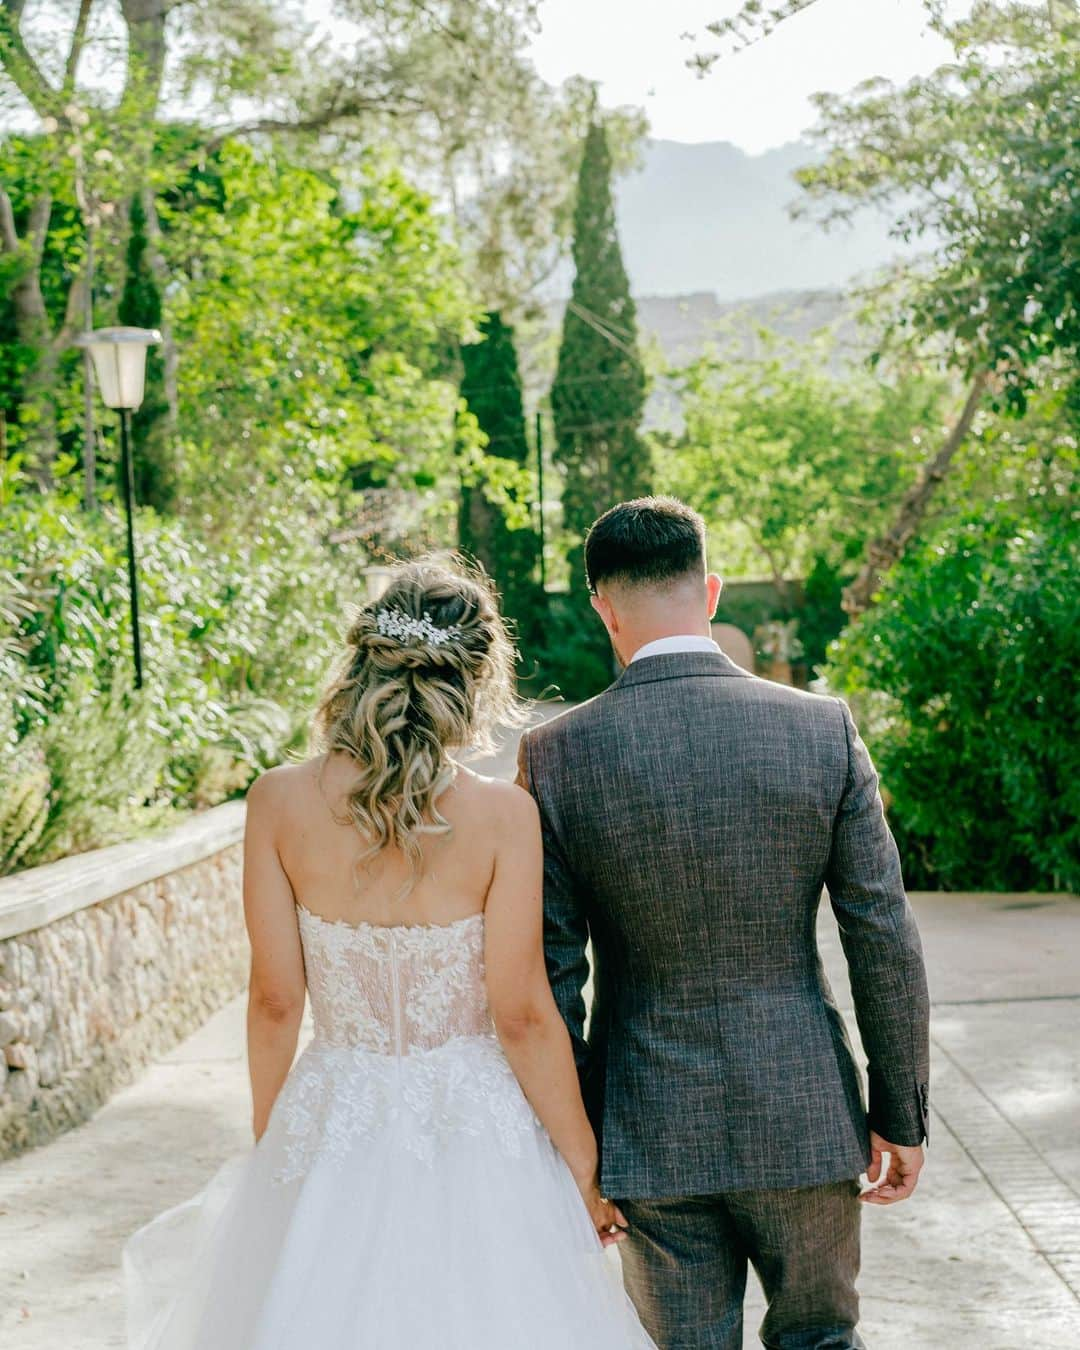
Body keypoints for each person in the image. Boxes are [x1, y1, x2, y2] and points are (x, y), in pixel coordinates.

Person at [124, 558, 656, 1350]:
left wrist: (280, 1142)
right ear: (477, 678)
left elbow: (275, 998)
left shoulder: (275, 801)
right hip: (478, 1125)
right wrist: (584, 1167)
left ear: (362, 662)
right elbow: (521, 1014)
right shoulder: (504, 816)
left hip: (335, 1106)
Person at [516, 497, 931, 1350]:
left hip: (649, 1130)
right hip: (804, 1116)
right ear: (710, 592)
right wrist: (900, 1112)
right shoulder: (821, 730)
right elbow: (881, 935)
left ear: (604, 607)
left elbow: (554, 974)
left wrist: (583, 1146)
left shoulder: (557, 755)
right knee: (821, 1339)